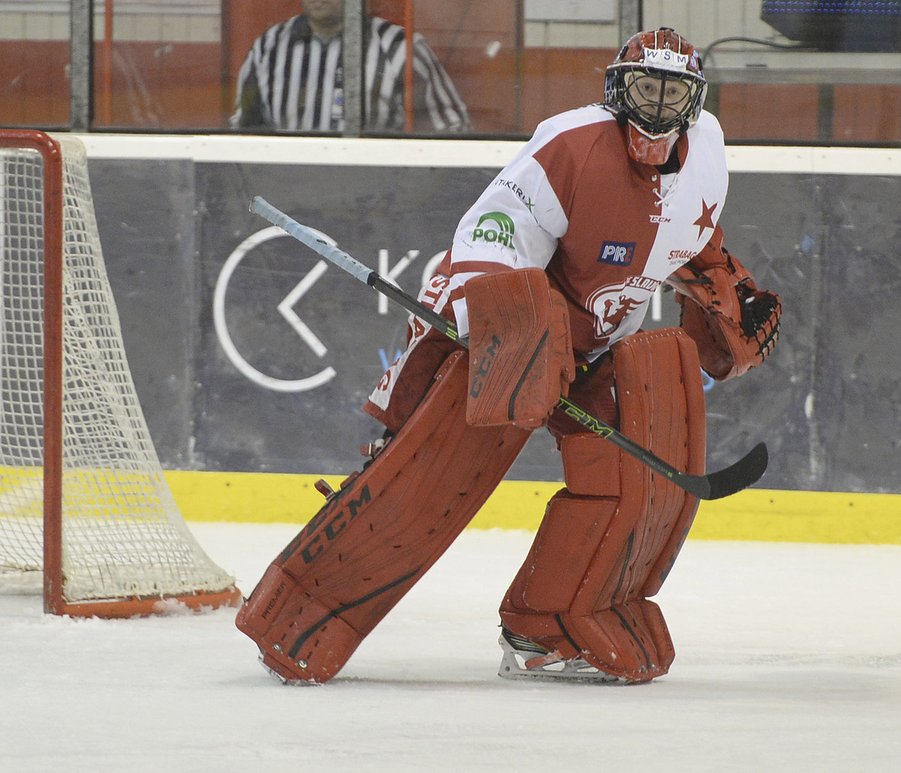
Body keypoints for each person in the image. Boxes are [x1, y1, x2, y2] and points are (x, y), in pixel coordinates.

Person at [235, 28, 781, 685]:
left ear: (696, 101)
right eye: (646, 88)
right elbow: (493, 233)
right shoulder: (572, 145)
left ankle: (548, 627)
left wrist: (727, 294)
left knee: (646, 445)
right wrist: (516, 332)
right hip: (509, 330)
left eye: (675, 93)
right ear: (616, 90)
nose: (659, 108)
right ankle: (300, 614)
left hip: (595, 346)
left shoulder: (708, 153)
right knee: (424, 481)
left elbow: (690, 240)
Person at [230, 0, 471, 133]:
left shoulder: (399, 48)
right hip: (289, 203)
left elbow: (452, 132)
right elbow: (244, 132)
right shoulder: (269, 47)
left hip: (379, 206)